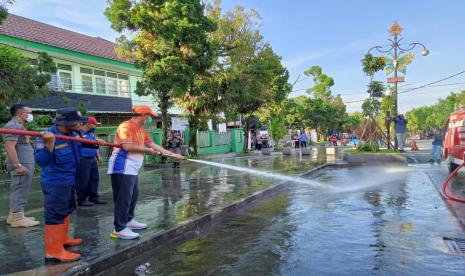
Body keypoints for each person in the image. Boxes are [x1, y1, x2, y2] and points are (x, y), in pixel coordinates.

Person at [107, 105, 184, 240]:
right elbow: (127, 146)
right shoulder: (126, 126)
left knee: (133, 196)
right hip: (122, 167)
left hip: (132, 168)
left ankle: (129, 220)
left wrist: (172, 154)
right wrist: (146, 150)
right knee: (123, 198)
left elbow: (152, 145)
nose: (149, 118)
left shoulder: (140, 130)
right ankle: (119, 228)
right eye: (148, 116)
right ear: (143, 115)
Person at [35, 107, 87, 263]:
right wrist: (49, 145)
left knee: (66, 210)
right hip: (55, 183)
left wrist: (97, 143)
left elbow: (79, 150)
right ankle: (53, 252)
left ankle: (62, 239)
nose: (80, 124)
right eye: (77, 122)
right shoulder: (45, 136)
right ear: (66, 123)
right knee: (55, 214)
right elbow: (41, 161)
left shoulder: (72, 134)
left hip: (70, 180)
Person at [3, 104, 39, 228]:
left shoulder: (19, 125)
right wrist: (17, 165)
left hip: (24, 161)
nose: (31, 114)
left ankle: (15, 215)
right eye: (29, 112)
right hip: (21, 163)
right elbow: (10, 146)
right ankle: (17, 218)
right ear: (20, 113)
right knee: (20, 189)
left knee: (21, 188)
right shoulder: (13, 125)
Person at [76, 116, 106, 206]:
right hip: (83, 159)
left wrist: (98, 156)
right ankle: (82, 199)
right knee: (83, 180)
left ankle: (94, 196)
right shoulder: (79, 133)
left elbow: (94, 144)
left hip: (92, 159)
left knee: (94, 179)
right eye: (95, 124)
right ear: (89, 124)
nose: (96, 126)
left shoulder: (91, 133)